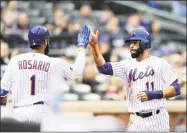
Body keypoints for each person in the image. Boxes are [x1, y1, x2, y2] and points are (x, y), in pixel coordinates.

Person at [88, 27, 181, 132]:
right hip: (136, 120)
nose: (131, 46)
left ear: (145, 43)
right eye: (130, 43)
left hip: (157, 118)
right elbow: (103, 68)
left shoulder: (160, 63)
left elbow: (176, 88)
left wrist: (153, 94)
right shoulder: (126, 64)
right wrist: (94, 46)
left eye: (135, 42)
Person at [0, 25, 90, 124]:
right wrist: (82, 47)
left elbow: (2, 92)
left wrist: (3, 112)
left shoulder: (15, 60)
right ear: (45, 42)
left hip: (17, 113)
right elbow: (77, 70)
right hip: (40, 112)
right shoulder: (53, 62)